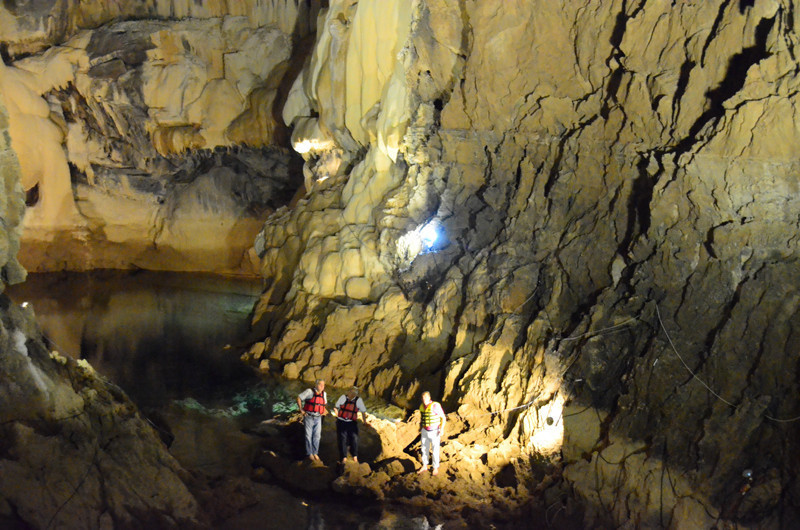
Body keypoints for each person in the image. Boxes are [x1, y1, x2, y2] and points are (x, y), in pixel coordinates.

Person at [332, 386, 367, 463]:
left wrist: (365, 422)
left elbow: (363, 411)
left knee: (354, 438)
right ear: (348, 392)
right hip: (342, 421)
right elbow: (335, 407)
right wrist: (338, 416)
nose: (352, 394)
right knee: (342, 439)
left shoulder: (358, 400)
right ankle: (344, 457)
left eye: (354, 393)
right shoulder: (343, 398)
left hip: (351, 422)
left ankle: (355, 456)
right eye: (351, 392)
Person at [296, 379, 327, 463]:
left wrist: (323, 411)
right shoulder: (309, 391)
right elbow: (299, 397)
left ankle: (315, 452)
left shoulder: (324, 394)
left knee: (317, 436)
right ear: (316, 385)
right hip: (309, 416)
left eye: (323, 385)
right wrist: (301, 409)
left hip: (318, 417)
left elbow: (323, 403)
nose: (322, 387)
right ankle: (309, 453)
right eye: (320, 384)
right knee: (308, 435)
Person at [417, 391, 446, 476]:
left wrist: (442, 429)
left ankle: (435, 467)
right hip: (424, 431)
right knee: (424, 448)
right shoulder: (422, 407)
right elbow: (422, 418)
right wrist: (420, 427)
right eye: (423, 397)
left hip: (434, 431)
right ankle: (424, 465)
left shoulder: (435, 406)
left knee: (435, 449)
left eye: (425, 397)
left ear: (429, 398)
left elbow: (443, 418)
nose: (424, 399)